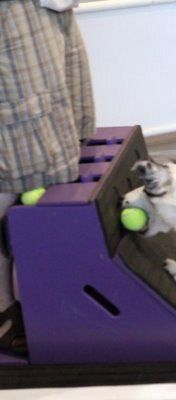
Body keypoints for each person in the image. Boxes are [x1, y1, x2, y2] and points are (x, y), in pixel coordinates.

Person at [0, 0, 95, 355]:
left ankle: (46, 289)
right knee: (13, 162)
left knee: (61, 141)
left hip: (47, 12)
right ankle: (3, 305)